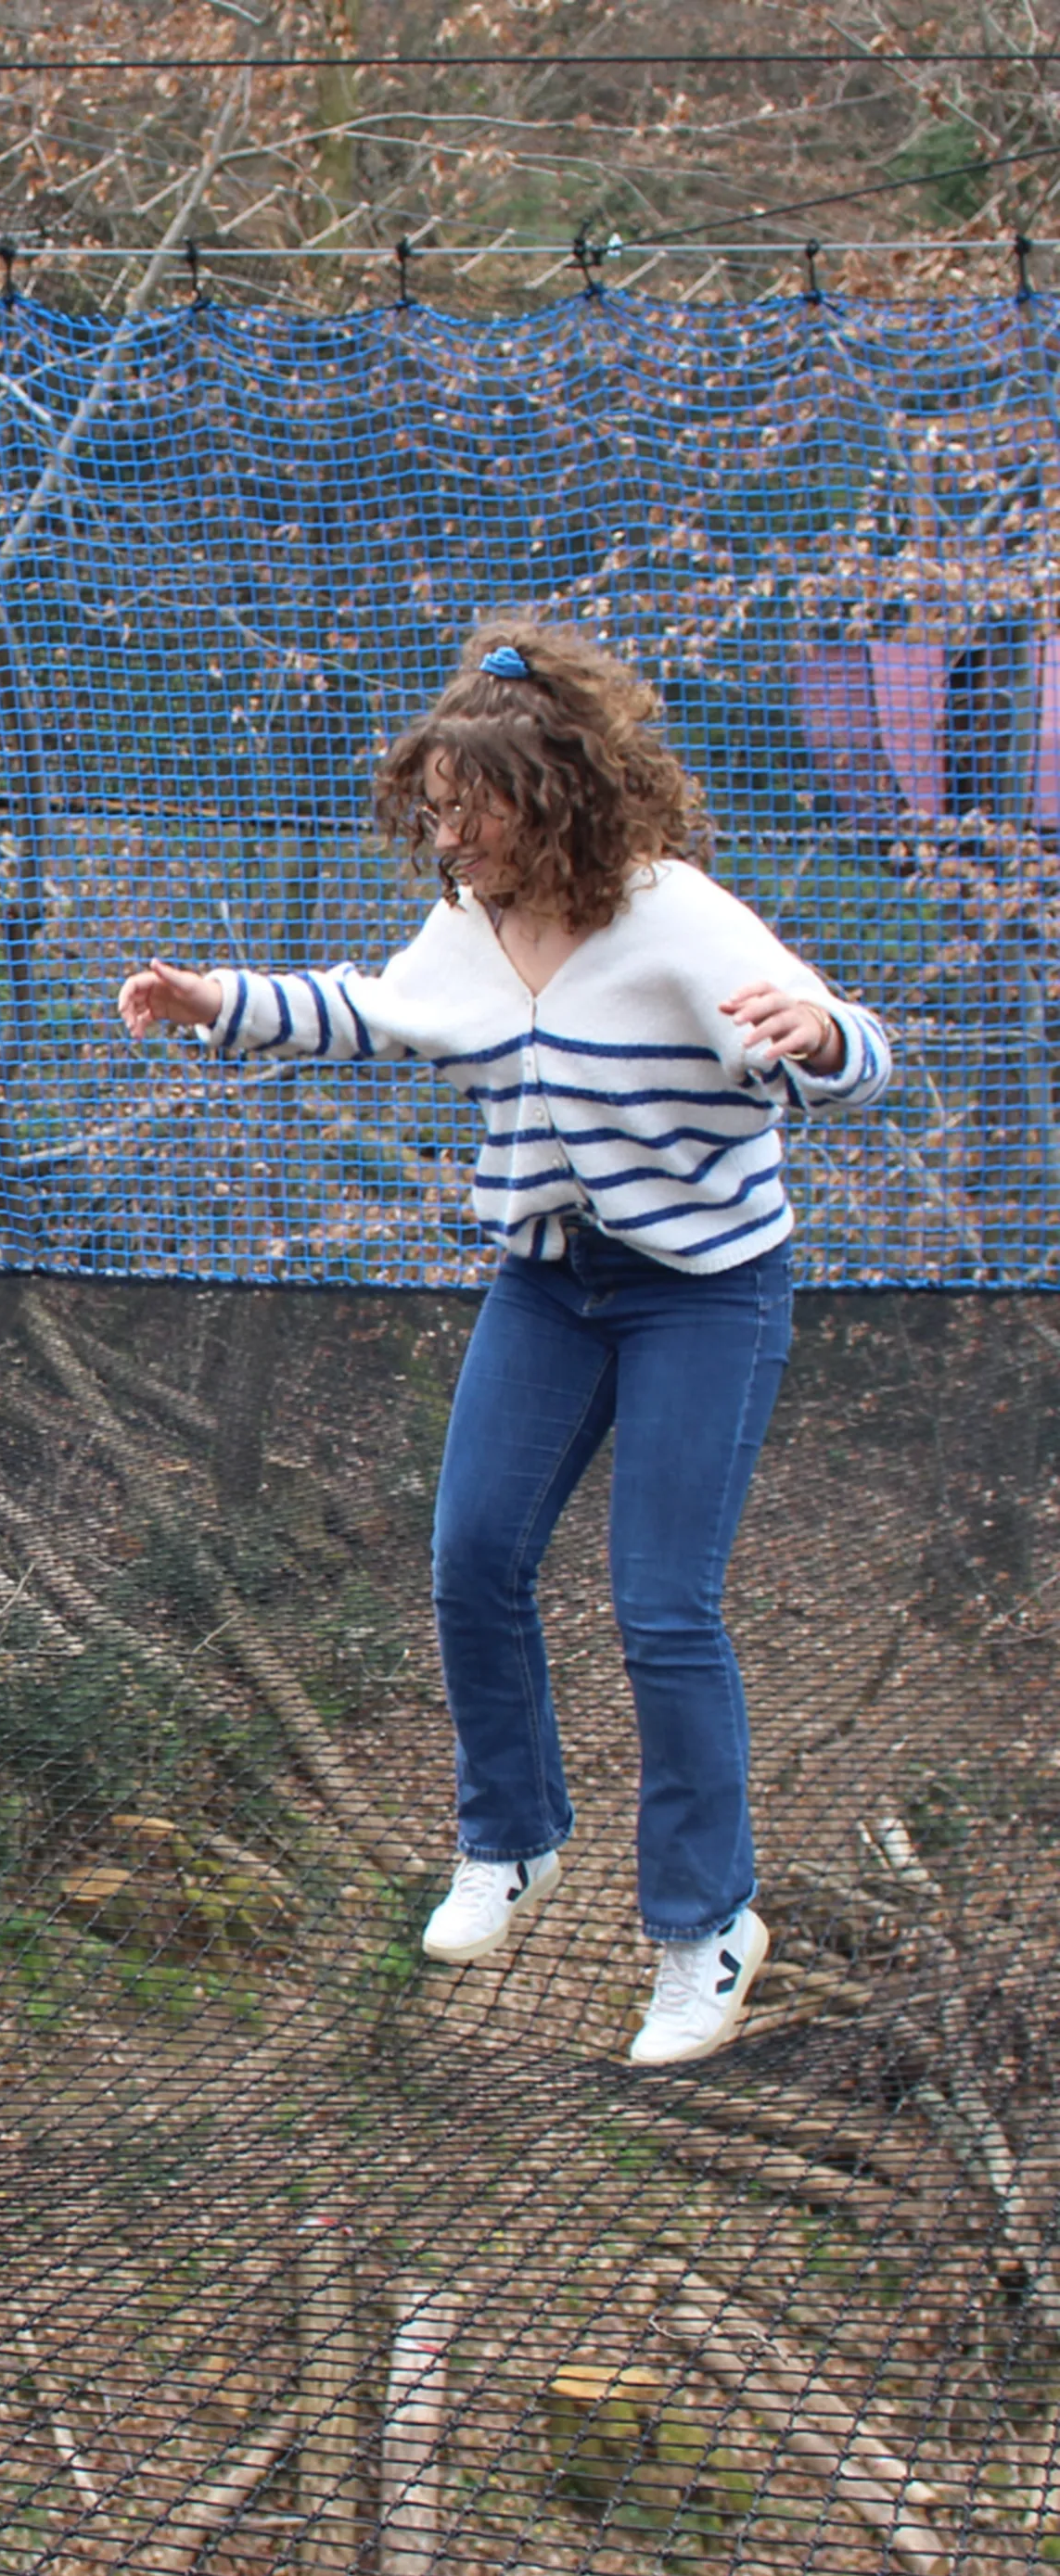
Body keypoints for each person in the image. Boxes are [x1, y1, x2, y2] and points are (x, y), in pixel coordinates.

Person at [117, 617, 892, 2067]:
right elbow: (378, 1008)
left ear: (557, 804)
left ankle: (703, 1928)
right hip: (549, 1281)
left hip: (703, 1294)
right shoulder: (470, 924)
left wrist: (822, 1035)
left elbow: (846, 1044)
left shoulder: (674, 917)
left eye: (471, 810)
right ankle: (513, 1837)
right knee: (472, 1552)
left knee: (664, 1608)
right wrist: (215, 1002)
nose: (446, 834)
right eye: (435, 807)